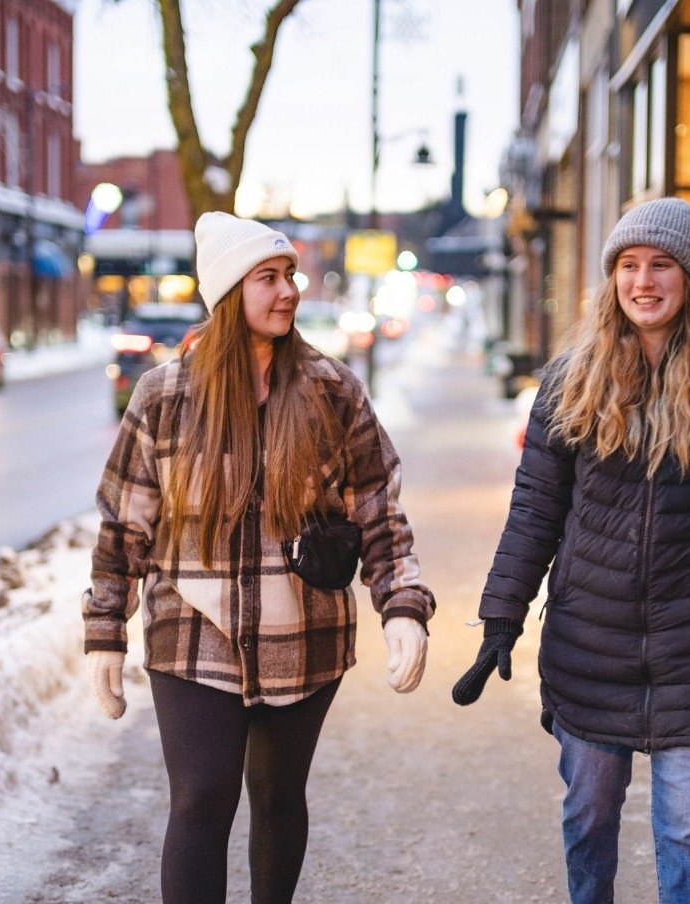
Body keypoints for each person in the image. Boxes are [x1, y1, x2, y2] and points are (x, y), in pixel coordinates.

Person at [84, 211, 434, 904]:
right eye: (267, 279)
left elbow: (378, 508)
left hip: (301, 632)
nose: (288, 292)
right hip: (192, 629)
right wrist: (104, 632)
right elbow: (124, 524)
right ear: (227, 293)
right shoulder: (164, 397)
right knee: (201, 800)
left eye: (289, 276)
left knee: (277, 795)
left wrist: (402, 605)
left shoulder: (332, 391)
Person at [452, 197, 690, 904]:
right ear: (612, 280)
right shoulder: (571, 382)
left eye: (661, 265)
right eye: (629, 266)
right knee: (590, 815)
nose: (644, 281)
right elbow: (536, 510)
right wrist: (501, 617)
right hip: (589, 642)